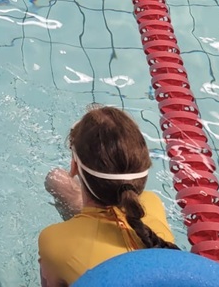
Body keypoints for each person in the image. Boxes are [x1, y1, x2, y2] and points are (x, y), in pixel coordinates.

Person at [39, 105, 178, 287]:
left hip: (76, 242)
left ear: (73, 166)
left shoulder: (54, 240)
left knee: (56, 180)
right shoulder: (152, 203)